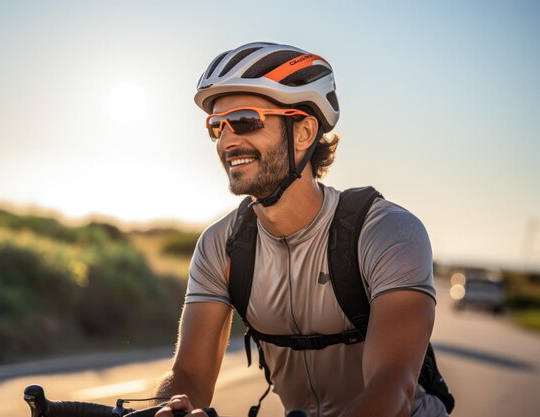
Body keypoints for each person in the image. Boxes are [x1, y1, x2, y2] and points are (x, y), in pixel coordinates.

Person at [154, 42, 448, 417]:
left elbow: (392, 386)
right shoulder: (221, 246)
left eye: (245, 121)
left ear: (306, 131)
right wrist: (170, 407)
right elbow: (190, 375)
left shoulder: (387, 233)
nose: (227, 141)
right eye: (216, 126)